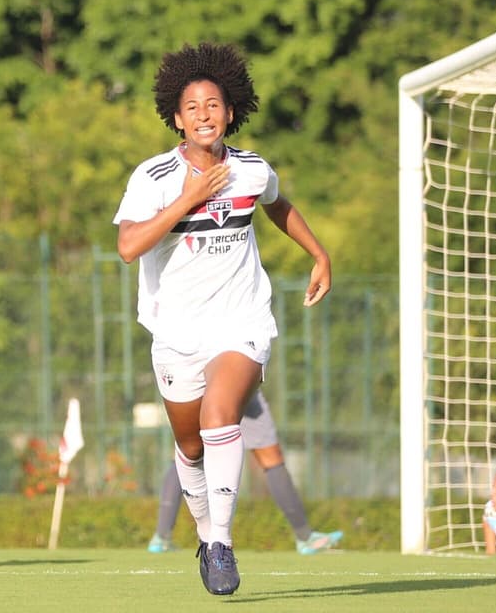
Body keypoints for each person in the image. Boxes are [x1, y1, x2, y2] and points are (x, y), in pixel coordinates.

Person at [114, 42, 331, 596]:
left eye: (214, 104)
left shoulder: (252, 169)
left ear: (231, 111)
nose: (204, 114)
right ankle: (205, 532)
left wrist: (319, 254)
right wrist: (186, 201)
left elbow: (277, 204)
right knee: (189, 447)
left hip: (242, 320)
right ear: (176, 119)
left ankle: (222, 544)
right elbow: (129, 247)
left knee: (219, 417)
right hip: (176, 330)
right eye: (192, 108)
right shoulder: (155, 176)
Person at [146, 389, 343, 555]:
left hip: (197, 374)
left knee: (188, 451)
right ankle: (305, 536)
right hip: (233, 374)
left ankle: (161, 536)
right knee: (270, 456)